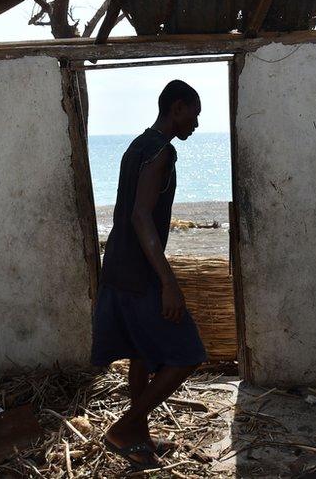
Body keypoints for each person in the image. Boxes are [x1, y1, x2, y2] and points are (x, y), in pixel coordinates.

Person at [91, 79, 208, 469]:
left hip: (118, 268)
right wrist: (169, 282)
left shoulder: (136, 146)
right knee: (188, 354)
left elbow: (128, 213)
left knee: (141, 353)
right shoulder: (162, 152)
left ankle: (137, 432)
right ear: (176, 108)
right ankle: (125, 428)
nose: (195, 123)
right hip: (140, 275)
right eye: (194, 114)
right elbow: (141, 216)